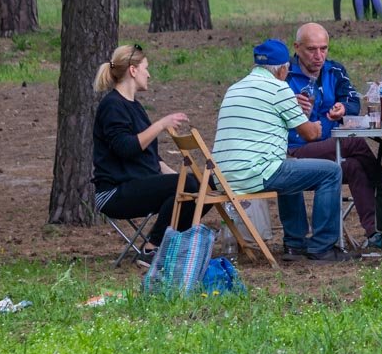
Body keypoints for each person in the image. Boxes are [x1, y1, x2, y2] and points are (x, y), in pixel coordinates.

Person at [212, 39, 354, 263]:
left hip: (221, 176)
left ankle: (294, 244)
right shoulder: (279, 88)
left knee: (289, 168)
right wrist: (319, 124)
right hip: (253, 174)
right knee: (331, 172)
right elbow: (310, 134)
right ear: (282, 69)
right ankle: (322, 246)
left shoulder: (235, 88)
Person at [91, 44, 202, 261]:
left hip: (138, 183)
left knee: (201, 185)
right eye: (146, 68)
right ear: (133, 70)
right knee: (188, 186)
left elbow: (152, 158)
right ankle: (152, 248)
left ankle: (168, 245)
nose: (148, 74)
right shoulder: (112, 106)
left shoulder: (135, 107)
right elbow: (125, 148)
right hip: (114, 192)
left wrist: (180, 178)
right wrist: (160, 125)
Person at [285, 23, 382, 249]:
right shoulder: (285, 75)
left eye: (323, 48)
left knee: (355, 167)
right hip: (296, 147)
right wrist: (289, 105)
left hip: (331, 145)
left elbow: (353, 101)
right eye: (312, 49)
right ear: (297, 47)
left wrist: (343, 108)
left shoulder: (334, 70)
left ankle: (375, 232)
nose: (319, 55)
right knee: (353, 142)